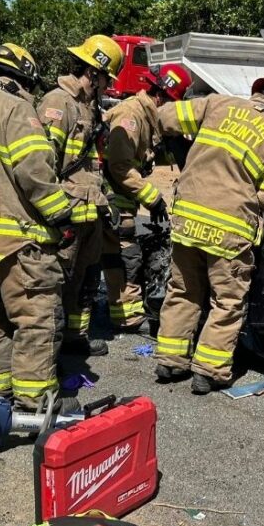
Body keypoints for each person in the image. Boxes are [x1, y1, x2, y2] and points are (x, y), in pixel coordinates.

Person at [0, 43, 76, 412]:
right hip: (18, 240)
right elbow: (34, 171)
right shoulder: (14, 108)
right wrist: (61, 215)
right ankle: (35, 403)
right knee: (36, 321)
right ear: (22, 78)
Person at [153, 76, 264, 394]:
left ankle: (170, 361)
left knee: (183, 290)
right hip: (230, 229)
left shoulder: (219, 104)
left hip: (188, 219)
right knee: (227, 301)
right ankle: (208, 371)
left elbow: (166, 117)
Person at [36, 35, 124, 356]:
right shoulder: (59, 103)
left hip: (90, 213)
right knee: (57, 282)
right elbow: (42, 163)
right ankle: (50, 351)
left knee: (85, 280)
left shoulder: (91, 108)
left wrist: (106, 200)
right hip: (67, 213)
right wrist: (55, 212)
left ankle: (75, 337)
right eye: (106, 79)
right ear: (93, 73)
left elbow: (92, 165)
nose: (108, 86)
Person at [100, 63, 193, 331]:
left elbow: (144, 156)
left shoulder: (145, 116)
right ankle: (127, 318)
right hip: (112, 197)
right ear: (161, 97)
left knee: (117, 254)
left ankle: (122, 313)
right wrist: (152, 198)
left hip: (121, 196)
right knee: (124, 255)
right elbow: (119, 165)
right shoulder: (131, 115)